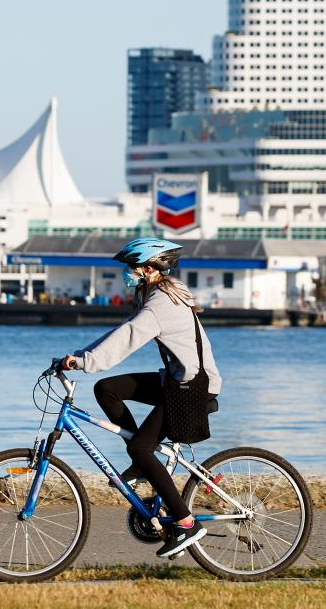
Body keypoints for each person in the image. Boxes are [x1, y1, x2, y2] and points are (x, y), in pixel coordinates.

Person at [59, 237, 222, 559]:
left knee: (141, 445)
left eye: (130, 268)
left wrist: (85, 363)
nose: (126, 274)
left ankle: (187, 523)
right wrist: (79, 355)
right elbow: (121, 330)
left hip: (192, 388)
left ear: (148, 268)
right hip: (178, 382)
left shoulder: (161, 302)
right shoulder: (158, 293)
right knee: (107, 389)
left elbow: (127, 338)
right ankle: (142, 464)